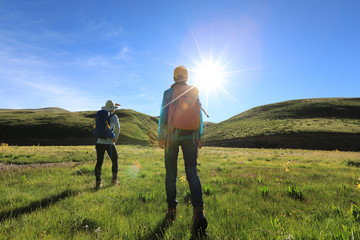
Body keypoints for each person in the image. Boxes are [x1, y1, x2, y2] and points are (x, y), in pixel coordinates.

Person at [158, 66, 208, 236]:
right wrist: (200, 135)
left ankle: (171, 209)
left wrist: (160, 135)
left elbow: (163, 115)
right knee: (192, 172)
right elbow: (200, 116)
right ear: (187, 77)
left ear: (174, 78)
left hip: (172, 137)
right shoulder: (194, 91)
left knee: (171, 174)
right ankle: (198, 211)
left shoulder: (168, 93)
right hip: (191, 137)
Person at [95, 100, 120, 189]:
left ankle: (98, 183)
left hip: (99, 142)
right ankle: (114, 180)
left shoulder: (100, 115)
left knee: (99, 162)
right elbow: (118, 127)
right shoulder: (114, 116)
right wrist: (115, 138)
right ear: (112, 109)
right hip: (110, 142)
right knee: (115, 160)